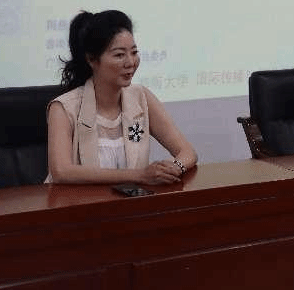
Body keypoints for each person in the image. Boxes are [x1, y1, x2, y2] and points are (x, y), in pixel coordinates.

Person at [47, 10, 197, 184]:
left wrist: (174, 168)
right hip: (76, 201)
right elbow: (61, 171)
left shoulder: (141, 97)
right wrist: (140, 175)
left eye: (134, 52)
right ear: (92, 59)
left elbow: (187, 152)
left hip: (130, 200)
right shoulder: (63, 108)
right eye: (119, 55)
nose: (130, 62)